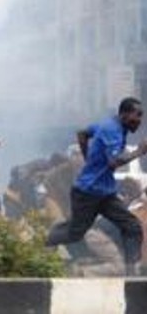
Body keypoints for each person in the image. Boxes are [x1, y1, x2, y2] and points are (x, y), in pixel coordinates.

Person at [46, 97, 147, 276]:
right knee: (75, 233)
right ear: (123, 114)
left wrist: (88, 159)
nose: (139, 120)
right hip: (87, 192)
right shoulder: (112, 130)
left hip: (105, 193)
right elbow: (113, 162)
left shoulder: (111, 125)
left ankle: (132, 274)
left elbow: (82, 133)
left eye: (141, 116)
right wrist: (139, 151)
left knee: (132, 226)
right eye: (136, 116)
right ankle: (44, 240)